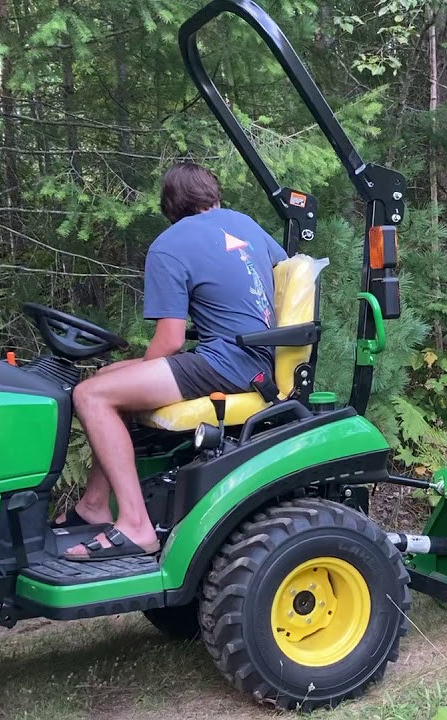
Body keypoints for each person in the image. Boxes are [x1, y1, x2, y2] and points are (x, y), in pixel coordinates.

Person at [60, 162, 287, 561]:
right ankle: (94, 504)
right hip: (257, 356)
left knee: (92, 395)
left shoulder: (170, 245)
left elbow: (169, 340)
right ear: (212, 194)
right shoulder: (246, 224)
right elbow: (279, 273)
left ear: (170, 206)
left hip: (229, 362)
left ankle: (135, 524)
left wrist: (140, 371)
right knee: (108, 379)